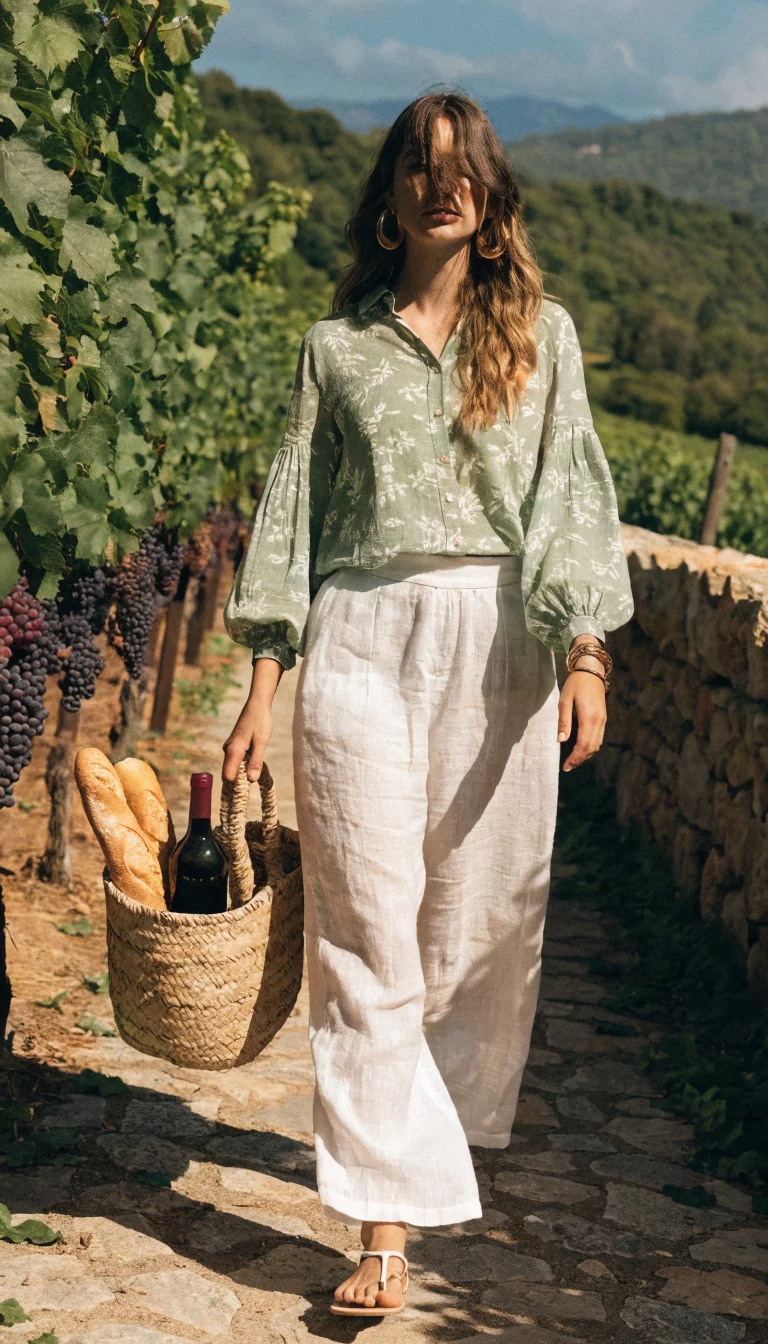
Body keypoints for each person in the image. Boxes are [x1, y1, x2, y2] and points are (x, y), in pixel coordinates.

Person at [222, 90, 633, 1316]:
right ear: (390, 198)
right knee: (364, 928)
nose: (439, 183)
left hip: (497, 644)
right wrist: (260, 688)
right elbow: (292, 516)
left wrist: (586, 654)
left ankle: (417, 1148)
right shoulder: (335, 347)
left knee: (467, 931)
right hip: (359, 637)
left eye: (461, 167)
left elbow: (572, 501)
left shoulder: (543, 338)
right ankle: (384, 1227)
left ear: (490, 198)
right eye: (416, 164)